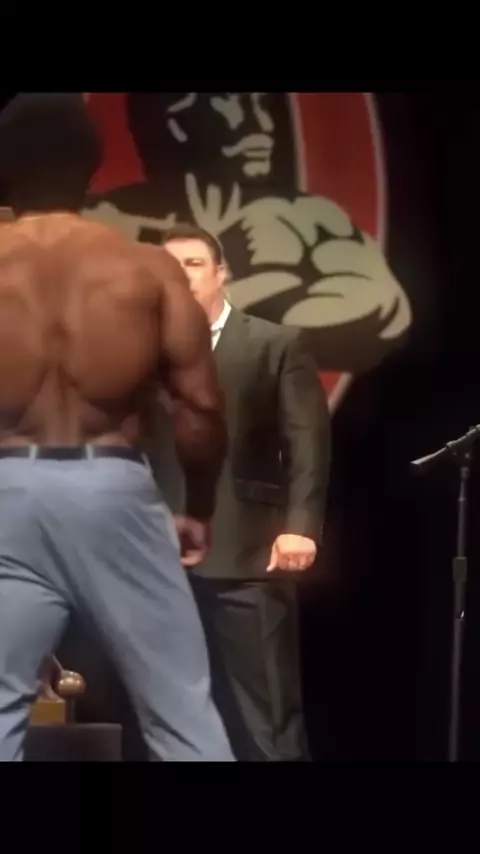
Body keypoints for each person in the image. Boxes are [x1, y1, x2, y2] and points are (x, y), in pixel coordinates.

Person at [0, 93, 234, 762]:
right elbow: (200, 406)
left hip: (6, 490)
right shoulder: (146, 268)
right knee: (181, 711)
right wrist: (198, 507)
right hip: (111, 490)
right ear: (93, 167)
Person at [146, 222, 331, 761]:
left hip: (246, 551)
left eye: (194, 264)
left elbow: (307, 443)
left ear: (221, 272)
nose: (182, 276)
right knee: (168, 714)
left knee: (266, 717)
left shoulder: (273, 344)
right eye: (170, 267)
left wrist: (301, 526)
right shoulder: (138, 350)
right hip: (156, 556)